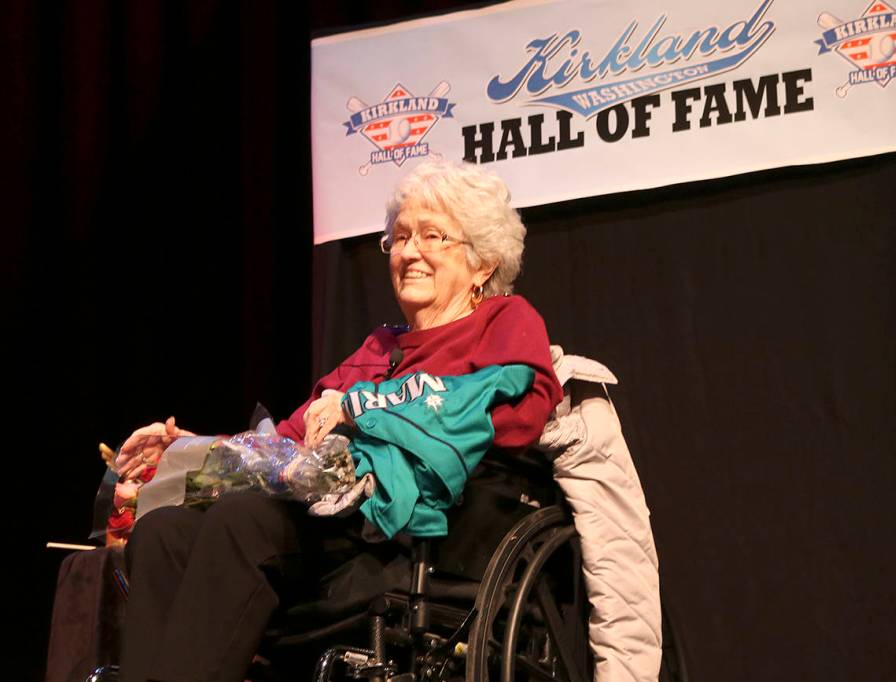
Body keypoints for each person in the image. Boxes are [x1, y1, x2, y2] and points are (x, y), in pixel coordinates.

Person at [114, 160, 562, 682]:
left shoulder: (502, 321)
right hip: (328, 526)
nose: (409, 252)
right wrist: (188, 448)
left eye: (432, 236)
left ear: (482, 263)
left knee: (243, 522)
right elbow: (285, 442)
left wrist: (367, 409)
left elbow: (523, 412)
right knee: (164, 530)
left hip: (418, 532)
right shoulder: (379, 347)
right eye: (399, 238)